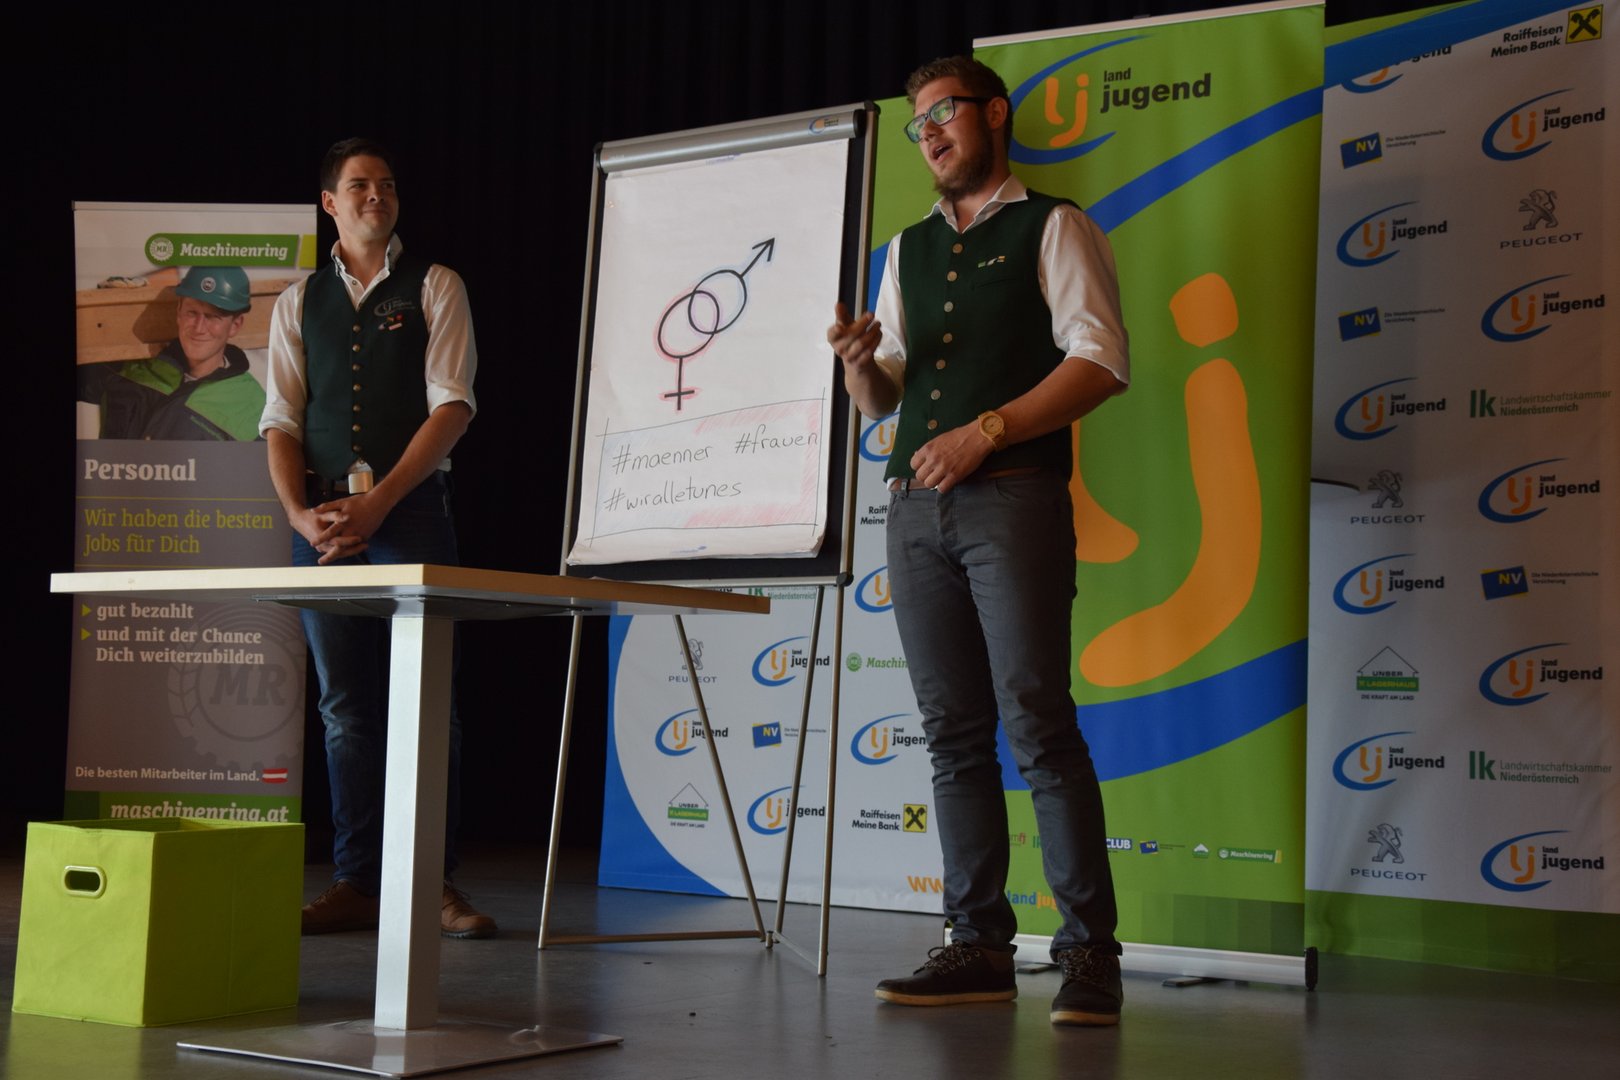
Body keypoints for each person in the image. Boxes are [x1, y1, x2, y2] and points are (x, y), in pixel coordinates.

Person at [827, 56, 1129, 1026]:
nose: (929, 134)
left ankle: (1089, 956)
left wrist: (988, 430)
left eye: (943, 114)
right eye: (917, 124)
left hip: (1013, 501)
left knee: (1036, 720)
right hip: (914, 512)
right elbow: (883, 400)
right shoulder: (906, 248)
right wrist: (859, 366)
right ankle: (978, 946)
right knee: (953, 734)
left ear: (993, 114)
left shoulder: (1056, 225)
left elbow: (1101, 361)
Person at [261, 137, 494, 938]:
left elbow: (452, 407)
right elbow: (281, 420)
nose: (376, 195)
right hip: (322, 519)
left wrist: (382, 503)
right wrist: (299, 515)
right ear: (330, 202)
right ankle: (359, 883)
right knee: (344, 707)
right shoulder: (297, 301)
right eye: (359, 185)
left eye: (387, 184)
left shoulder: (435, 284)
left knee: (430, 704)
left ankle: (432, 885)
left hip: (412, 511)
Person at [79, 266, 265, 440]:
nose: (199, 328)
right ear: (178, 312)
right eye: (192, 313)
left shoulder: (253, 408)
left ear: (235, 325)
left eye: (212, 317)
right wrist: (97, 314)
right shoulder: (127, 368)